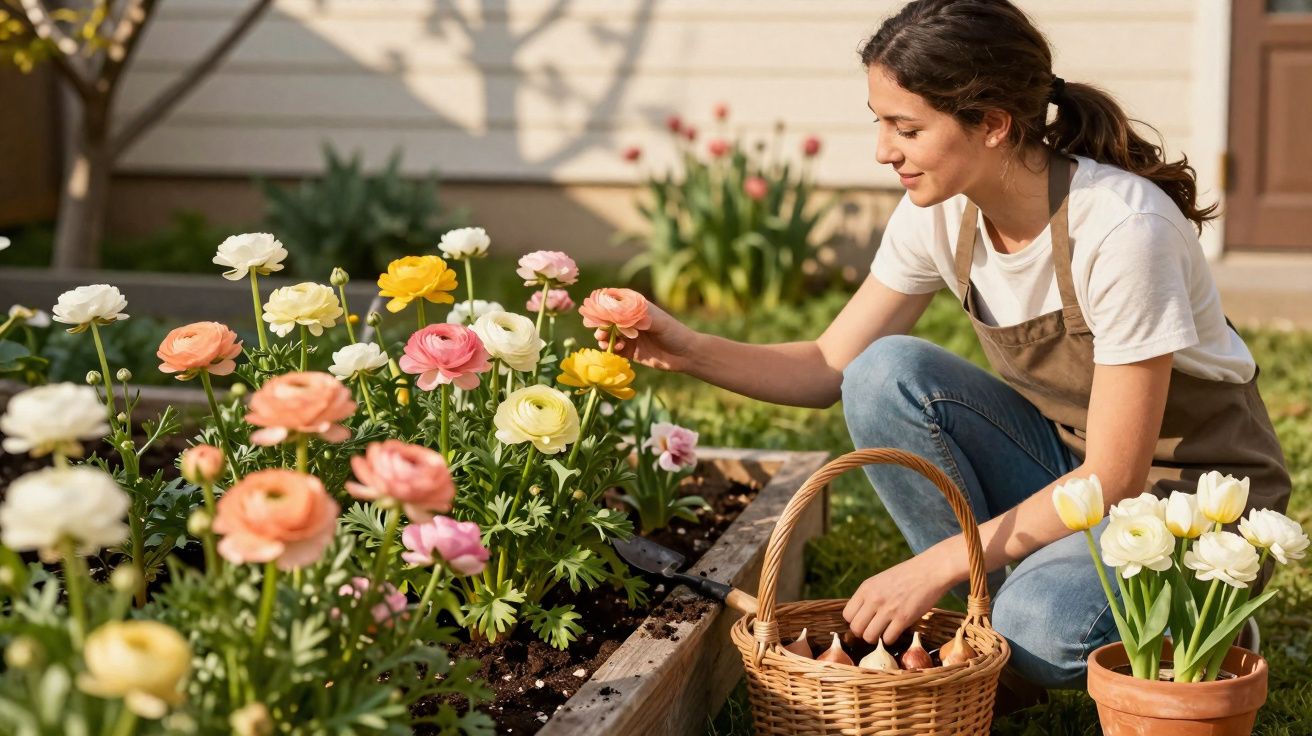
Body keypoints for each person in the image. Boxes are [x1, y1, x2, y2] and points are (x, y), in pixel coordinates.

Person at [603, 0, 1290, 690]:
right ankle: (993, 624)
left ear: (993, 125)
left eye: (906, 128)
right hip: (1063, 470)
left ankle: (1194, 615)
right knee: (882, 373)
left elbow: (1114, 476)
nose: (883, 150)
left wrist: (932, 565)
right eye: (881, 123)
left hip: (1188, 504)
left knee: (1039, 625)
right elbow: (827, 367)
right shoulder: (943, 210)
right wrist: (686, 346)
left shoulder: (1123, 231)